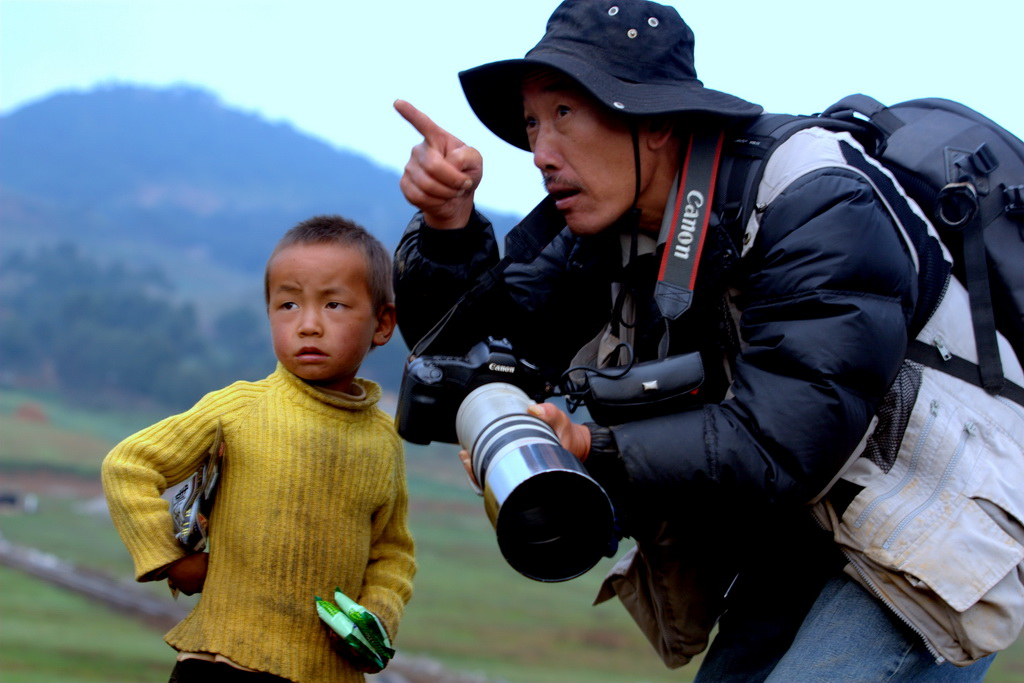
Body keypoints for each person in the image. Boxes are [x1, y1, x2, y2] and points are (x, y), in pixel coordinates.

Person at [392, 1, 1004, 681]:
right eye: (532, 123)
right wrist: (449, 228)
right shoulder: (611, 224)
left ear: (653, 121)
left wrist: (593, 446)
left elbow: (783, 437)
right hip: (808, 524)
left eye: (563, 114)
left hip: (932, 524)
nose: (539, 152)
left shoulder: (818, 200)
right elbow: (488, 347)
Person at [102, 215, 416, 683]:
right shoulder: (240, 409)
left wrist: (376, 618)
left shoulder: (383, 440)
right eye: (288, 305)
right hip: (222, 663)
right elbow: (128, 464)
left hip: (328, 673)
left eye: (334, 304)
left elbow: (392, 553)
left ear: (383, 323)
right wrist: (171, 558)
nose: (308, 325)